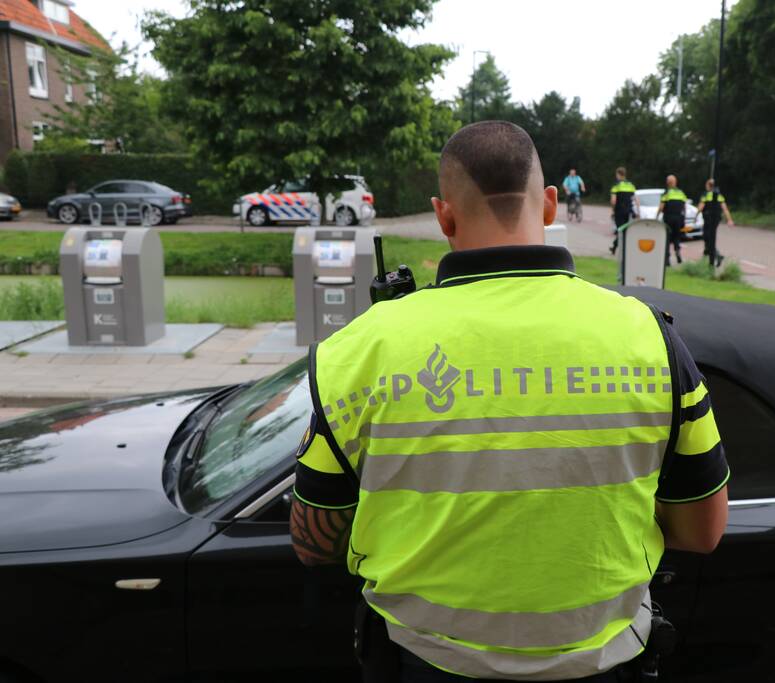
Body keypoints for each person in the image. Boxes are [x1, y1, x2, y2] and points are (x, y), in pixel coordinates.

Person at [289, 121, 730, 683]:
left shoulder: (361, 349)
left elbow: (312, 541)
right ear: (549, 204)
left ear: (444, 215)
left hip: (426, 667)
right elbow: (702, 532)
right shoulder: (651, 338)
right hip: (604, 666)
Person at [696, 179, 734, 267]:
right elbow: (725, 209)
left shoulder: (706, 194)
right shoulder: (719, 195)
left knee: (707, 238)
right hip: (716, 219)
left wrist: (695, 216)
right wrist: (729, 220)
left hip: (708, 218)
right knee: (710, 237)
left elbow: (700, 207)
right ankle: (707, 254)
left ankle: (716, 255)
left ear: (708, 186)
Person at [658, 174, 688, 265]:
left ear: (668, 182)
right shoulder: (681, 193)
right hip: (679, 218)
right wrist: (683, 217)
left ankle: (667, 260)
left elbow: (661, 207)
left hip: (668, 217)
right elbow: (684, 207)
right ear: (675, 182)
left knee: (667, 237)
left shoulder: (666, 193)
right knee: (677, 237)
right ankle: (678, 252)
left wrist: (657, 216)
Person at [609, 166, 638, 254]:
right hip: (628, 211)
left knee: (620, 229)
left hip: (619, 211)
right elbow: (636, 199)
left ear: (618, 174)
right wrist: (638, 211)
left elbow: (613, 201)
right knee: (624, 229)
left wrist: (613, 210)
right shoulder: (631, 185)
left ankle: (617, 247)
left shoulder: (616, 185)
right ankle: (616, 247)